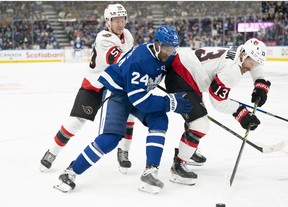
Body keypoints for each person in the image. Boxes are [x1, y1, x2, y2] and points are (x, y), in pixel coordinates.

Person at [53, 25, 192, 194]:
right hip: (118, 93)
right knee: (111, 138)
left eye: (172, 49)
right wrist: (171, 102)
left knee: (160, 120)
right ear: (156, 43)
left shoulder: (169, 56)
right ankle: (70, 172)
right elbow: (140, 100)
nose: (168, 53)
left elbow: (180, 71)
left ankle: (150, 171)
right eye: (166, 48)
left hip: (136, 93)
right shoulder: (140, 59)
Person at [40, 3, 135, 174]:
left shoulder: (127, 35)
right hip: (95, 84)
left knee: (129, 115)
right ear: (108, 21)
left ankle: (124, 151)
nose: (120, 24)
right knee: (76, 121)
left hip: (115, 85)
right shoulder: (104, 37)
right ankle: (52, 152)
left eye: (123, 20)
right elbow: (121, 61)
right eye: (116, 21)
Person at [164, 38, 270, 185]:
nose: (252, 68)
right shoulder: (232, 71)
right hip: (181, 78)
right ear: (244, 55)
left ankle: (189, 150)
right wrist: (241, 113)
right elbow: (218, 102)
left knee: (197, 115)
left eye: (255, 64)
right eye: (251, 64)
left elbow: (255, 63)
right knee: (200, 124)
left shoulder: (241, 50)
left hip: (186, 71)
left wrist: (261, 83)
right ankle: (178, 165)